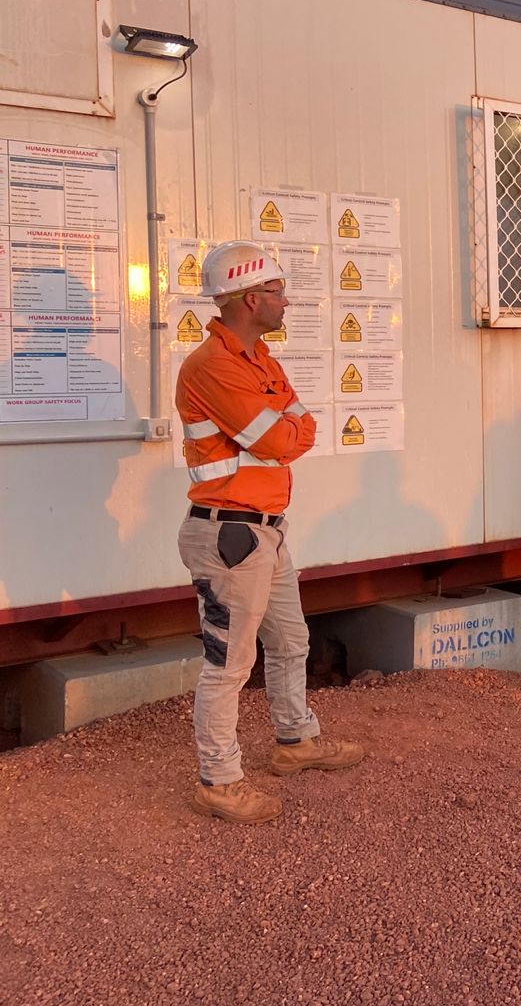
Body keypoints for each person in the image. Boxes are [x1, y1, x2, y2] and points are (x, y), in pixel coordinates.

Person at [177, 241, 364, 825]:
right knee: (229, 663)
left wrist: (288, 424)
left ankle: (294, 740)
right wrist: (287, 425)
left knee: (290, 641)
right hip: (230, 536)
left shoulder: (261, 359)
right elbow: (285, 440)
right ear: (250, 298)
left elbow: (301, 423)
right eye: (279, 291)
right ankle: (219, 780)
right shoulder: (213, 365)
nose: (287, 301)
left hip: (266, 532)